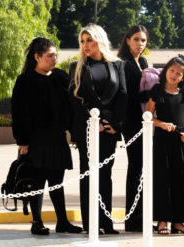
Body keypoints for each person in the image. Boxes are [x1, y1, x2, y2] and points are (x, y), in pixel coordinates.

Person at [11, 37, 82, 235]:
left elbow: (71, 108)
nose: (54, 59)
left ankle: (63, 222)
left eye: (55, 55)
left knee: (57, 182)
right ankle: (37, 222)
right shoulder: (25, 81)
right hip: (36, 139)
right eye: (50, 56)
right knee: (37, 182)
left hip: (58, 137)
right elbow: (19, 113)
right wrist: (22, 141)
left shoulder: (60, 77)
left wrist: (73, 133)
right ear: (37, 57)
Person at [68, 24, 127, 234]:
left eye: (89, 40)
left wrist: (115, 125)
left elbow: (122, 96)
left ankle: (106, 223)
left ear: (99, 40)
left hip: (110, 130)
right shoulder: (76, 66)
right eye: (82, 41)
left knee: (105, 175)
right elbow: (74, 101)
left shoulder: (117, 65)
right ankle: (90, 223)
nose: (85, 45)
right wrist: (94, 122)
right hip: (87, 129)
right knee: (87, 174)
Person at [146, 56, 184, 235]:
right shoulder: (157, 90)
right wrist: (162, 124)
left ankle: (180, 222)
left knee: (181, 179)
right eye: (172, 71)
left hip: (180, 140)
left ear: (183, 76)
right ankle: (162, 221)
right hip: (162, 140)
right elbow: (148, 116)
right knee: (162, 179)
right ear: (166, 71)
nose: (174, 75)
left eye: (179, 73)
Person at [117, 25, 149, 232]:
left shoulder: (143, 61)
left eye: (143, 41)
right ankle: (133, 219)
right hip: (131, 122)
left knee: (143, 169)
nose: (140, 44)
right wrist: (150, 94)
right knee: (136, 168)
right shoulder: (123, 63)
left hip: (145, 121)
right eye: (136, 39)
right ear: (127, 40)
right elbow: (126, 96)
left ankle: (142, 216)